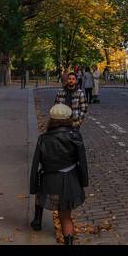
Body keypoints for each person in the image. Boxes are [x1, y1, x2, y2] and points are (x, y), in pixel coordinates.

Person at [29, 103, 89, 243]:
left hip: (50, 180)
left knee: (40, 192)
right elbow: (83, 161)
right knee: (66, 215)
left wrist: (33, 186)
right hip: (70, 179)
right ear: (68, 118)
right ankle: (68, 241)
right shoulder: (75, 136)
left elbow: (35, 164)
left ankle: (37, 220)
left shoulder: (43, 138)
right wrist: (83, 181)